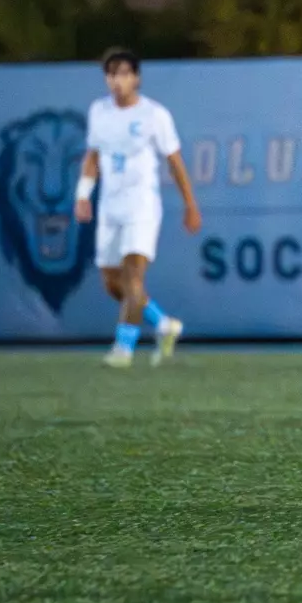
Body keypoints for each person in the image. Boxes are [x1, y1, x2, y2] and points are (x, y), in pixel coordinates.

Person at [74, 48, 202, 367]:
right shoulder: (99, 111)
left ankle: (123, 348)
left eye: (124, 74)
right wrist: (82, 194)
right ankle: (162, 323)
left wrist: (190, 203)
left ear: (136, 78)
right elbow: (92, 157)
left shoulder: (154, 115)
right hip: (109, 208)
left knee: (133, 274)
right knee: (113, 284)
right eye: (111, 74)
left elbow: (174, 162)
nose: (117, 81)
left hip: (141, 206)